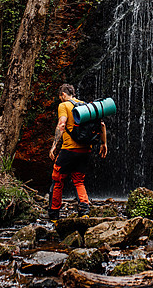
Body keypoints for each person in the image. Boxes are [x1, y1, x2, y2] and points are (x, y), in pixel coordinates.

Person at [48, 83, 107, 219]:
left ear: (63, 95)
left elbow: (62, 124)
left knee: (57, 179)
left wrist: (54, 145)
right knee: (79, 181)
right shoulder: (87, 106)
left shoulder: (64, 105)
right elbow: (102, 125)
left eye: (60, 97)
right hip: (85, 150)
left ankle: (53, 215)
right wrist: (104, 143)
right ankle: (84, 212)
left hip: (69, 149)